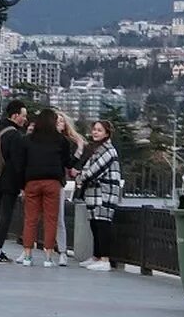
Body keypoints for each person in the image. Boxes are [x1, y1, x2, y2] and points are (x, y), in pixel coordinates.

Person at [19, 109, 77, 268]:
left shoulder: (28, 140)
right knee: (51, 220)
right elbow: (68, 163)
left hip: (32, 182)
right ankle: (48, 256)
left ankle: (28, 255)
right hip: (53, 182)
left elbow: (21, 164)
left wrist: (22, 184)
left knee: (30, 219)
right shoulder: (61, 140)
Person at [0, 100, 29, 264]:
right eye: (24, 116)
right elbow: (18, 164)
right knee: (5, 216)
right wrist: (23, 185)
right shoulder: (15, 135)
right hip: (8, 182)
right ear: (16, 115)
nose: (25, 119)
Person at [74, 120, 121, 272]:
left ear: (107, 133)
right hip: (94, 193)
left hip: (105, 193)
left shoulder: (108, 150)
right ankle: (96, 256)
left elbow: (94, 170)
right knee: (95, 224)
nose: (95, 132)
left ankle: (105, 259)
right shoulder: (97, 149)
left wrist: (80, 177)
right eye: (94, 129)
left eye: (99, 130)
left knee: (103, 224)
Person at [56, 113, 86, 266]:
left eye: (62, 121)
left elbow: (69, 163)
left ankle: (62, 251)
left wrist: (79, 149)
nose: (59, 123)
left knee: (59, 218)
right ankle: (28, 248)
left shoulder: (66, 142)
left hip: (59, 181)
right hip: (48, 180)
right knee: (36, 218)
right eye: (57, 121)